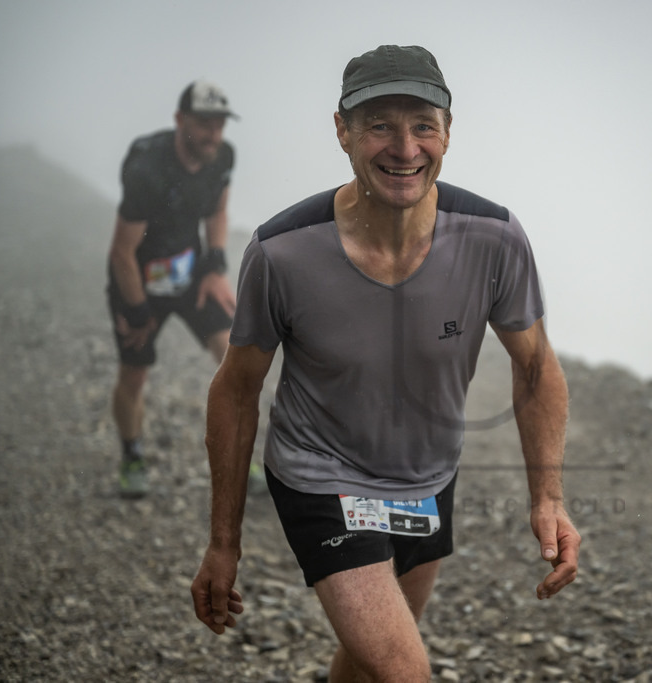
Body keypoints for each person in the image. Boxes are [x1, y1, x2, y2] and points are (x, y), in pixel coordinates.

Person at [190, 45, 581, 680]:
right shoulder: (282, 252)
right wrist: (223, 542)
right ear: (342, 131)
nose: (405, 149)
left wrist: (549, 498)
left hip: (428, 479)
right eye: (380, 126)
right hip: (320, 474)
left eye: (423, 125)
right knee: (404, 672)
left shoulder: (494, 238)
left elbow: (536, 367)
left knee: (368, 664)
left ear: (448, 133)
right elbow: (235, 391)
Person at [107, 80, 260, 498]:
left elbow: (218, 211)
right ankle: (132, 456)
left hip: (190, 272)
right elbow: (121, 251)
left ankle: (240, 458)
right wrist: (138, 311)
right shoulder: (147, 170)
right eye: (204, 123)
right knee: (135, 373)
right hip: (137, 278)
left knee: (234, 356)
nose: (214, 134)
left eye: (220, 124)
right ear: (179, 120)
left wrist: (215, 265)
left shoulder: (222, 156)